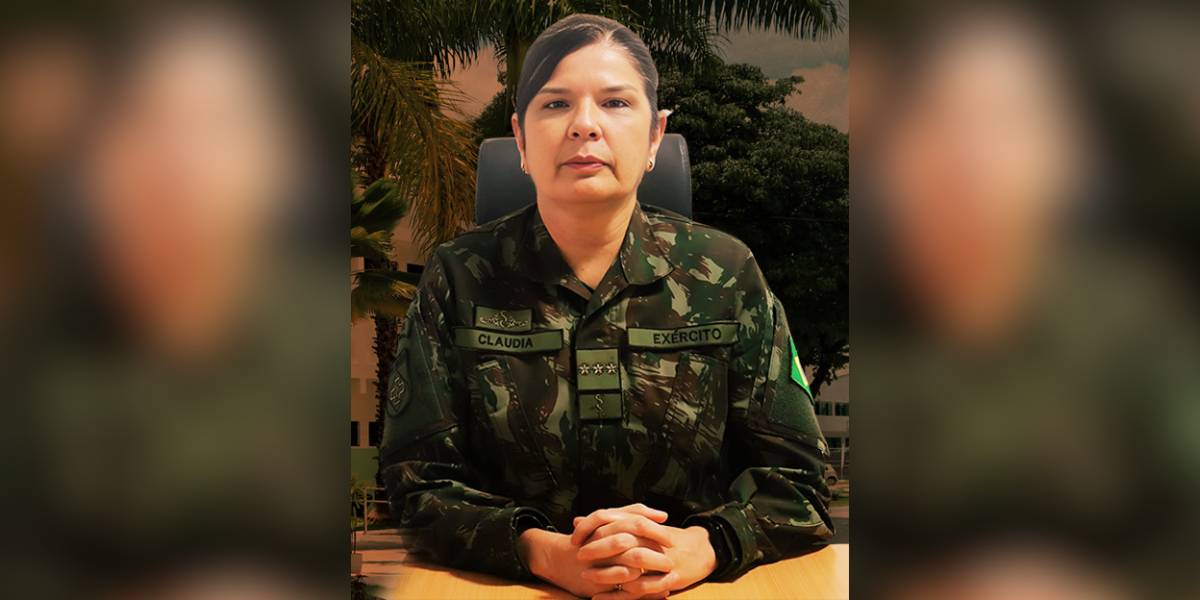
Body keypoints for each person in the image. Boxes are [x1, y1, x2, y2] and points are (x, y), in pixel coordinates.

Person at [380, 14, 833, 598]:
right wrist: (541, 552)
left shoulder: (725, 273)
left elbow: (799, 481)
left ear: (655, 136)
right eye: (556, 104)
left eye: (616, 103)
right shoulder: (459, 277)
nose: (584, 125)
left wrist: (705, 546)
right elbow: (415, 485)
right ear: (520, 139)